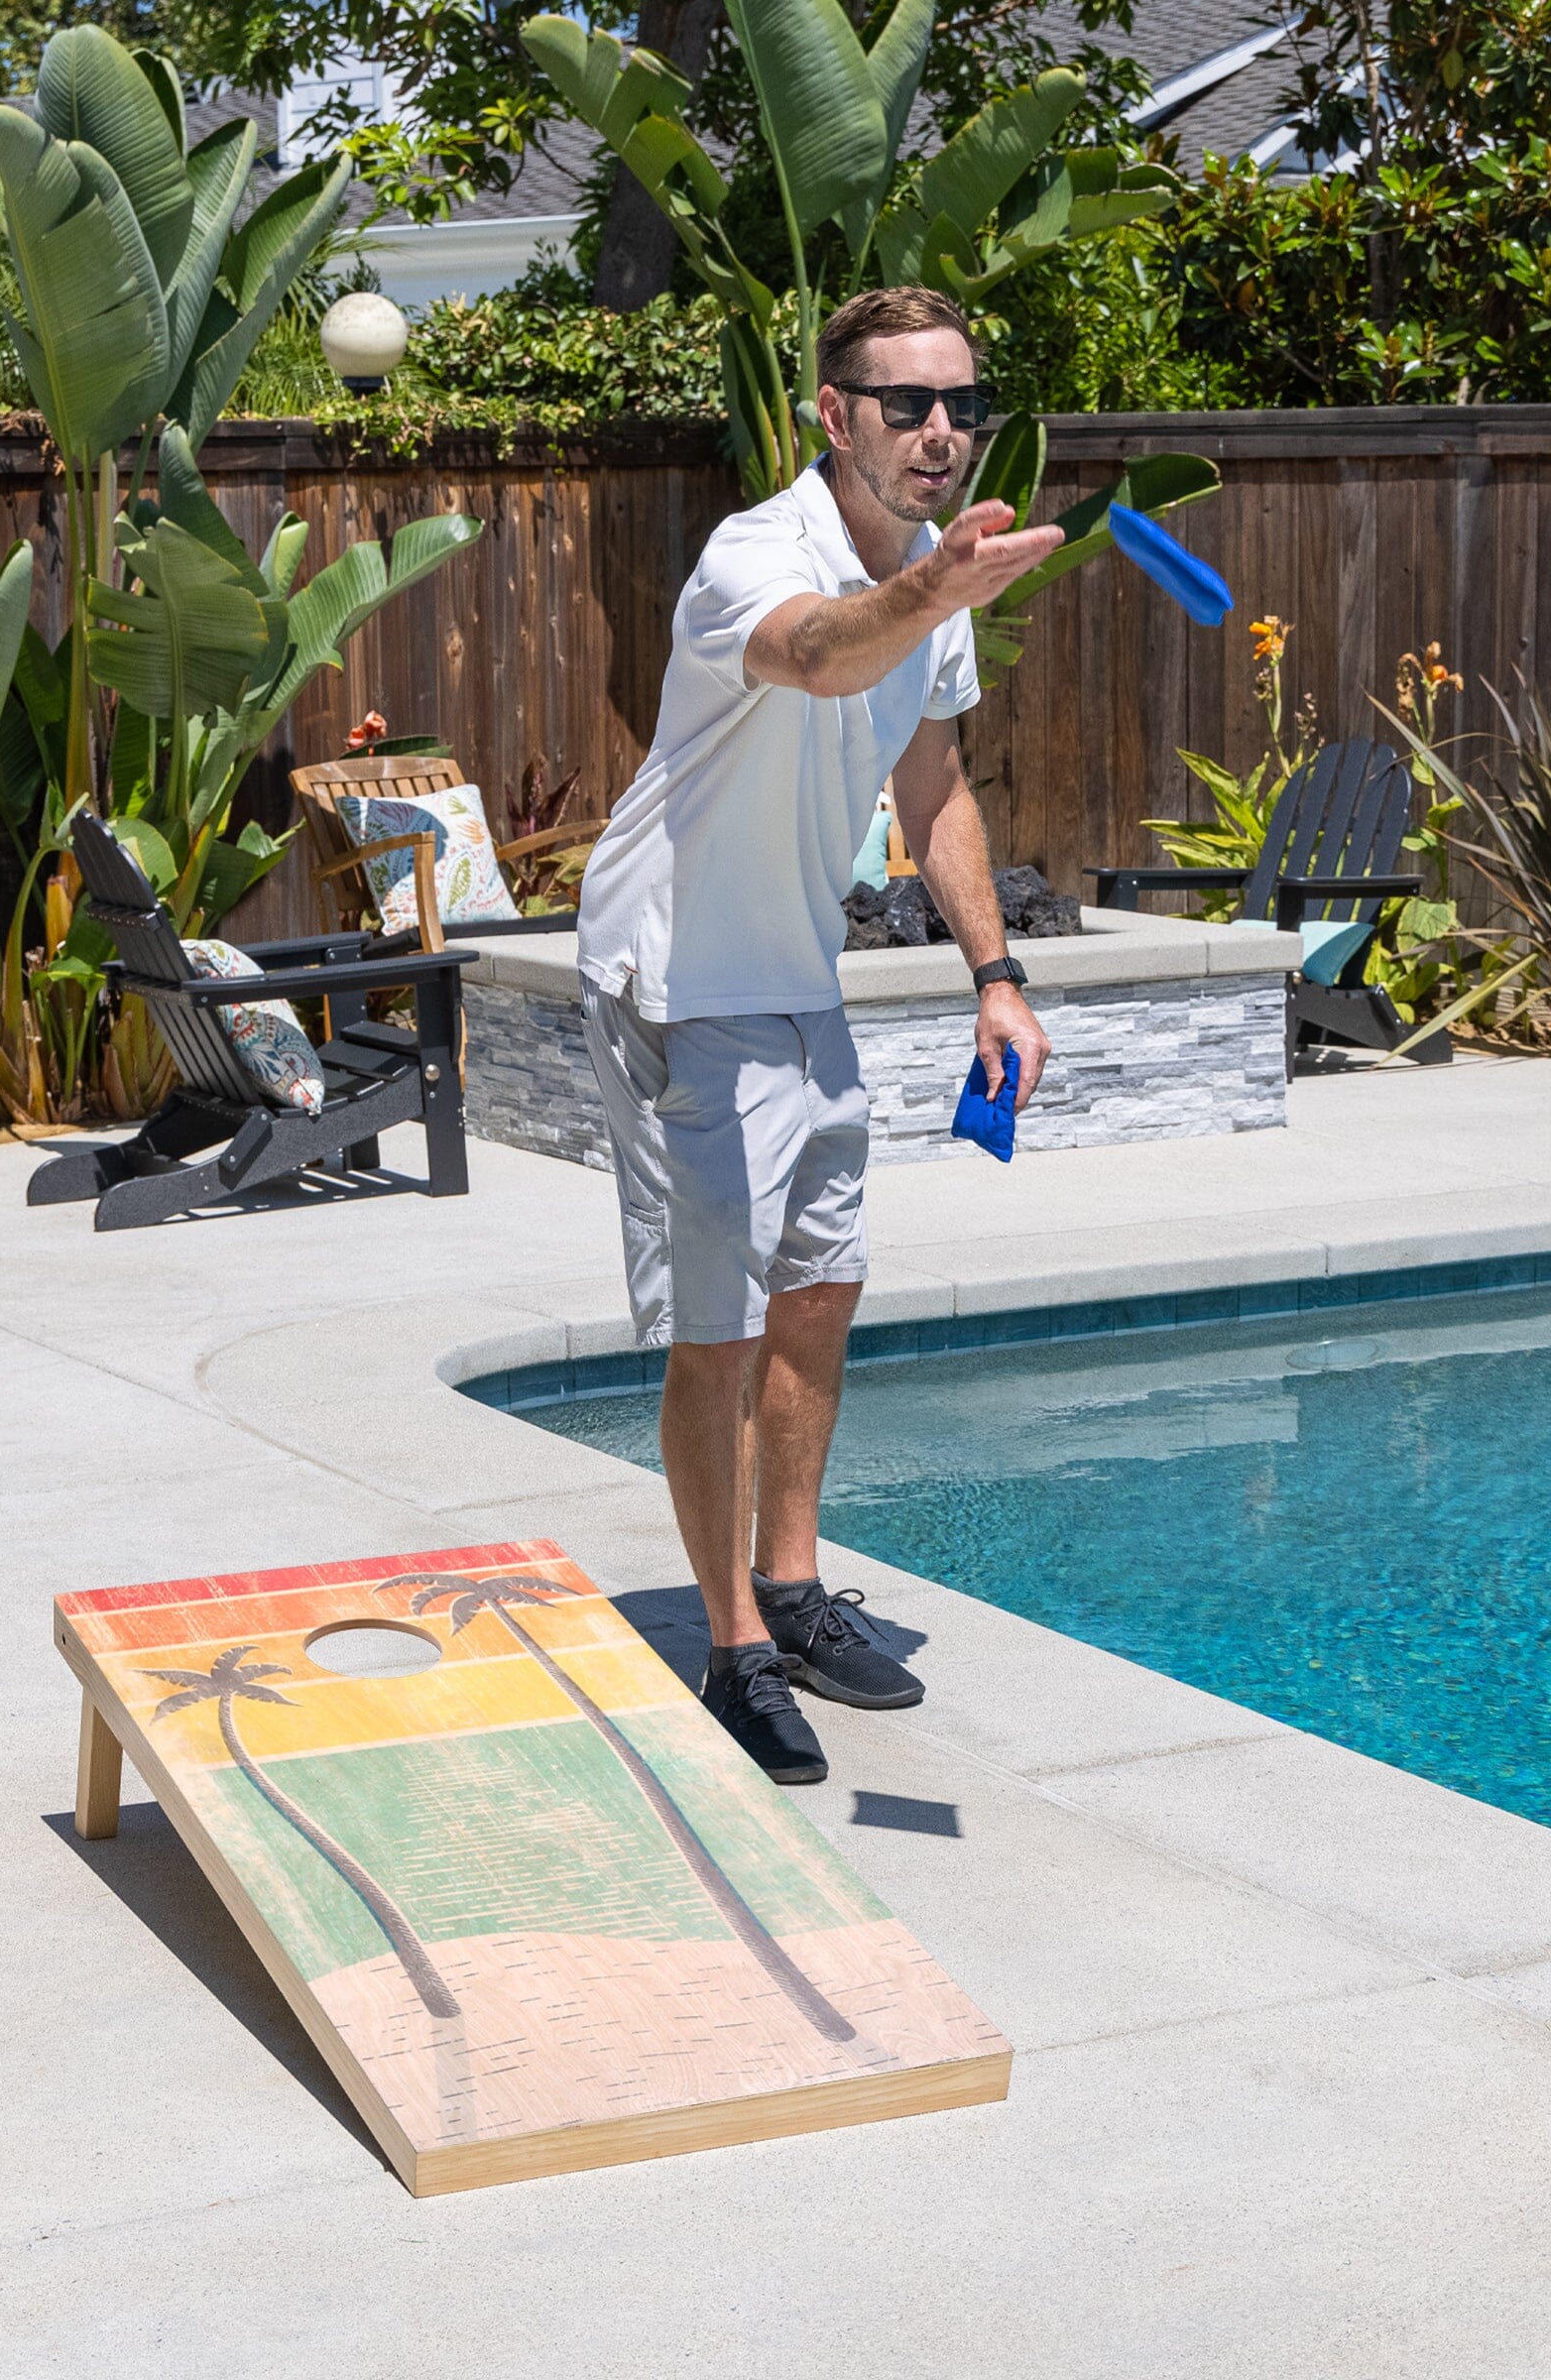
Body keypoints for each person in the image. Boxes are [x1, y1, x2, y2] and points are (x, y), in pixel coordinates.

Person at [574, 285, 1058, 1787]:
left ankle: (790, 1583)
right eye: (905, 404)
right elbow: (822, 655)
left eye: (961, 406)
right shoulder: (756, 556)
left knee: (821, 1296)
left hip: (799, 976)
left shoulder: (931, 576)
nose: (939, 433)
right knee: (713, 1335)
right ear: (830, 415)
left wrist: (996, 972)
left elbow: (934, 786)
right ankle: (731, 1649)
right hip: (680, 978)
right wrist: (934, 591)